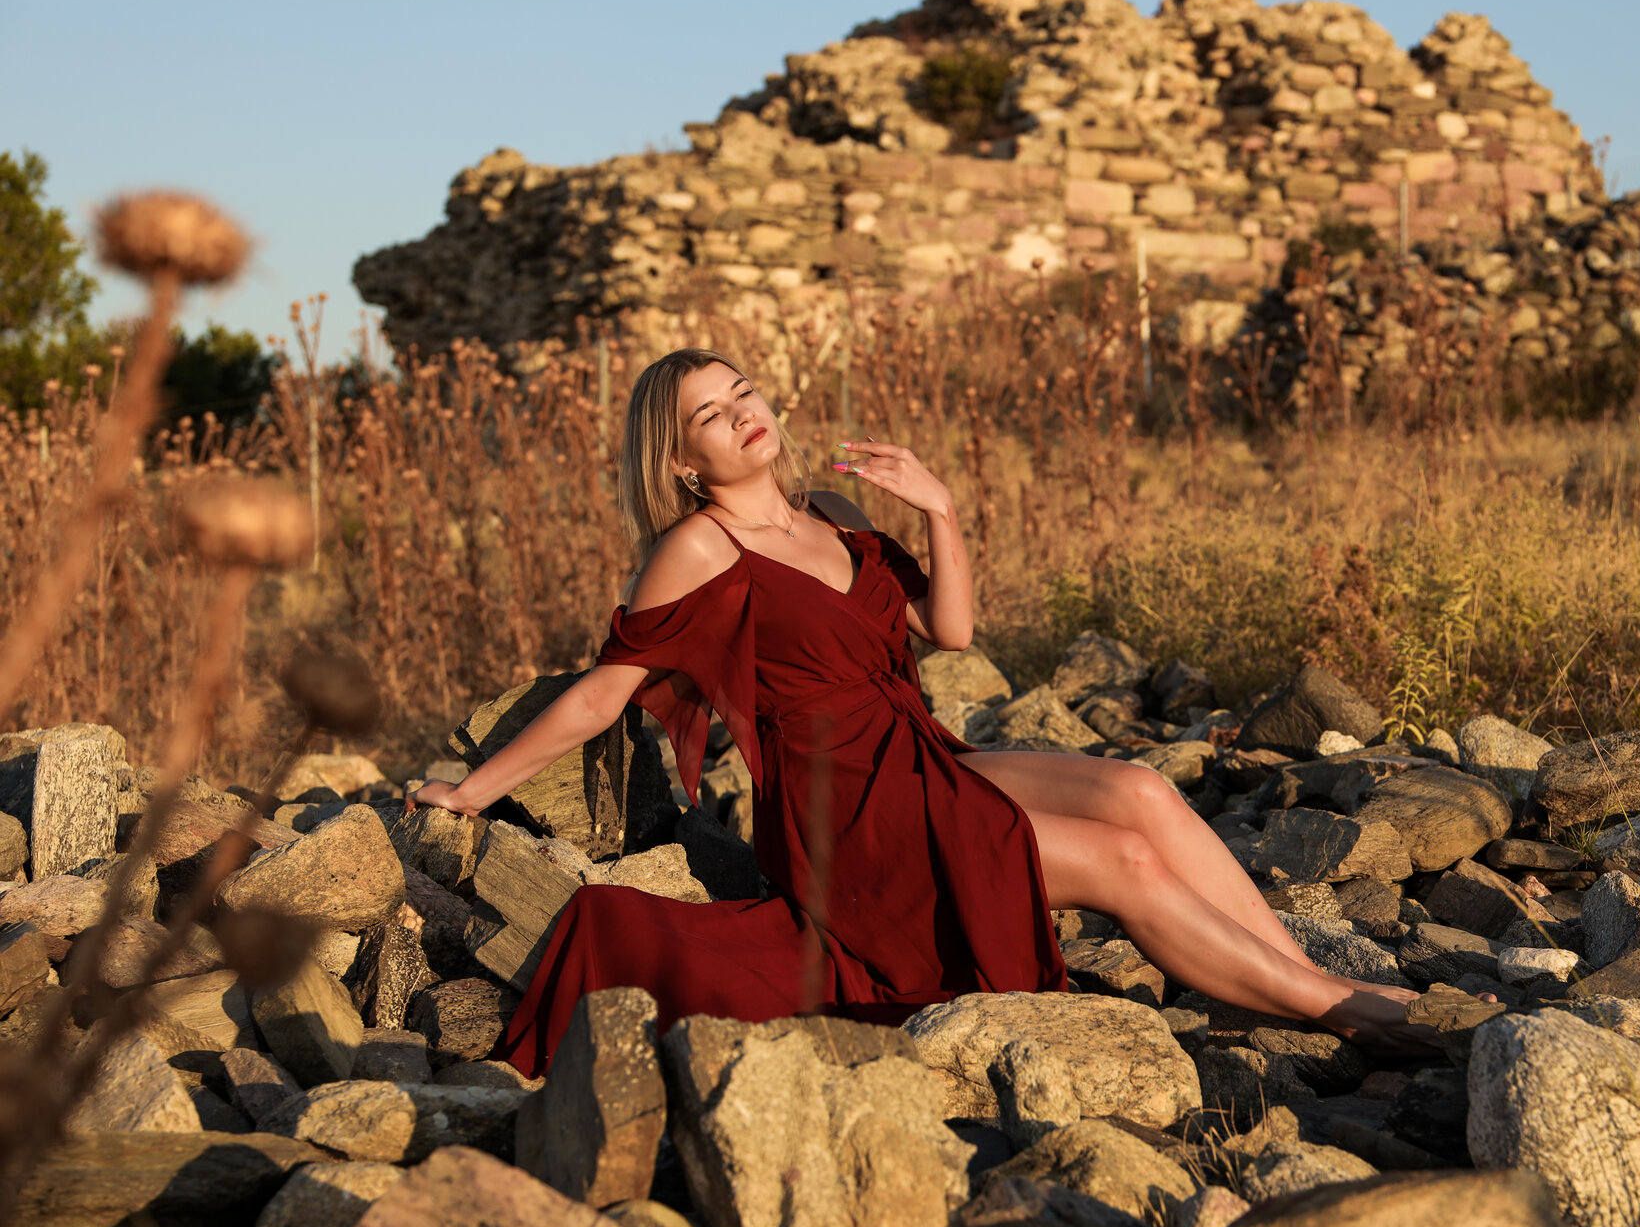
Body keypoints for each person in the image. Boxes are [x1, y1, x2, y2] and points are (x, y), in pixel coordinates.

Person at [406, 347, 1437, 1076]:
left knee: (1137, 790)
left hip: (916, 753)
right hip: (842, 808)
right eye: (710, 415)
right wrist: (472, 792)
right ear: (681, 460)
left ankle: (1293, 978)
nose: (742, 413)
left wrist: (939, 508)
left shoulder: (835, 513)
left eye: (743, 391)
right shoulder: (698, 547)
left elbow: (950, 629)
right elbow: (604, 690)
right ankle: (1353, 1013)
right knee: (1119, 861)